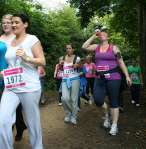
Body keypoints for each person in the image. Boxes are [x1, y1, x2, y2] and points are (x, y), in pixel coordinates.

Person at [0, 13, 45, 149]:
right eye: (12, 22)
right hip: (11, 86)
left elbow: (42, 60)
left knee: (33, 123)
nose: (13, 25)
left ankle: (38, 146)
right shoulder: (10, 42)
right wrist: (4, 73)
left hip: (29, 87)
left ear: (25, 24)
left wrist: (27, 58)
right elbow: (11, 64)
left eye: (17, 22)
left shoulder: (32, 39)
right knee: (3, 121)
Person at [82, 28, 131, 135]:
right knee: (98, 100)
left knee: (114, 101)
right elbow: (84, 46)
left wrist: (127, 76)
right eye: (101, 34)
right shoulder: (96, 47)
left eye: (104, 34)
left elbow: (121, 62)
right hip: (99, 78)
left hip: (113, 77)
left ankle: (114, 125)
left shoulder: (114, 48)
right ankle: (107, 115)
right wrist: (94, 35)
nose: (102, 35)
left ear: (108, 37)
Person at [0, 14, 27, 141]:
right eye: (3, 22)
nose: (5, 24)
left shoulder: (17, 38)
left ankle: (15, 128)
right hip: (0, 73)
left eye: (8, 22)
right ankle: (19, 125)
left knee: (14, 105)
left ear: (13, 24)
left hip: (13, 74)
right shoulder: (0, 38)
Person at [61, 44, 80, 125]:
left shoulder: (77, 58)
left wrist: (77, 65)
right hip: (65, 80)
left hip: (75, 79)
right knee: (64, 98)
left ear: (73, 49)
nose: (68, 49)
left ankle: (74, 116)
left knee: (74, 99)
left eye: (70, 48)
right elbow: (61, 68)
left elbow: (80, 67)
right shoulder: (62, 58)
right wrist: (60, 64)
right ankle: (68, 113)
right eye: (67, 48)